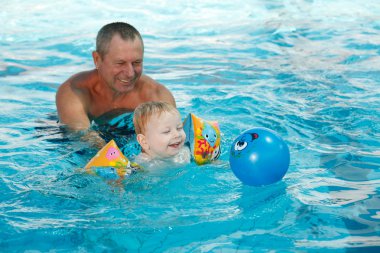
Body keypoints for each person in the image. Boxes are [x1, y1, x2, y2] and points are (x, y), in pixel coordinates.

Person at [56, 22, 175, 131]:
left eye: (136, 62)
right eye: (120, 63)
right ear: (97, 59)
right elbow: (85, 140)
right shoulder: (74, 92)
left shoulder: (157, 96)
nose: (130, 73)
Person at [132, 101, 191, 168]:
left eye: (179, 128)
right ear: (144, 141)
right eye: (167, 131)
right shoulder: (141, 164)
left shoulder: (185, 152)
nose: (177, 134)